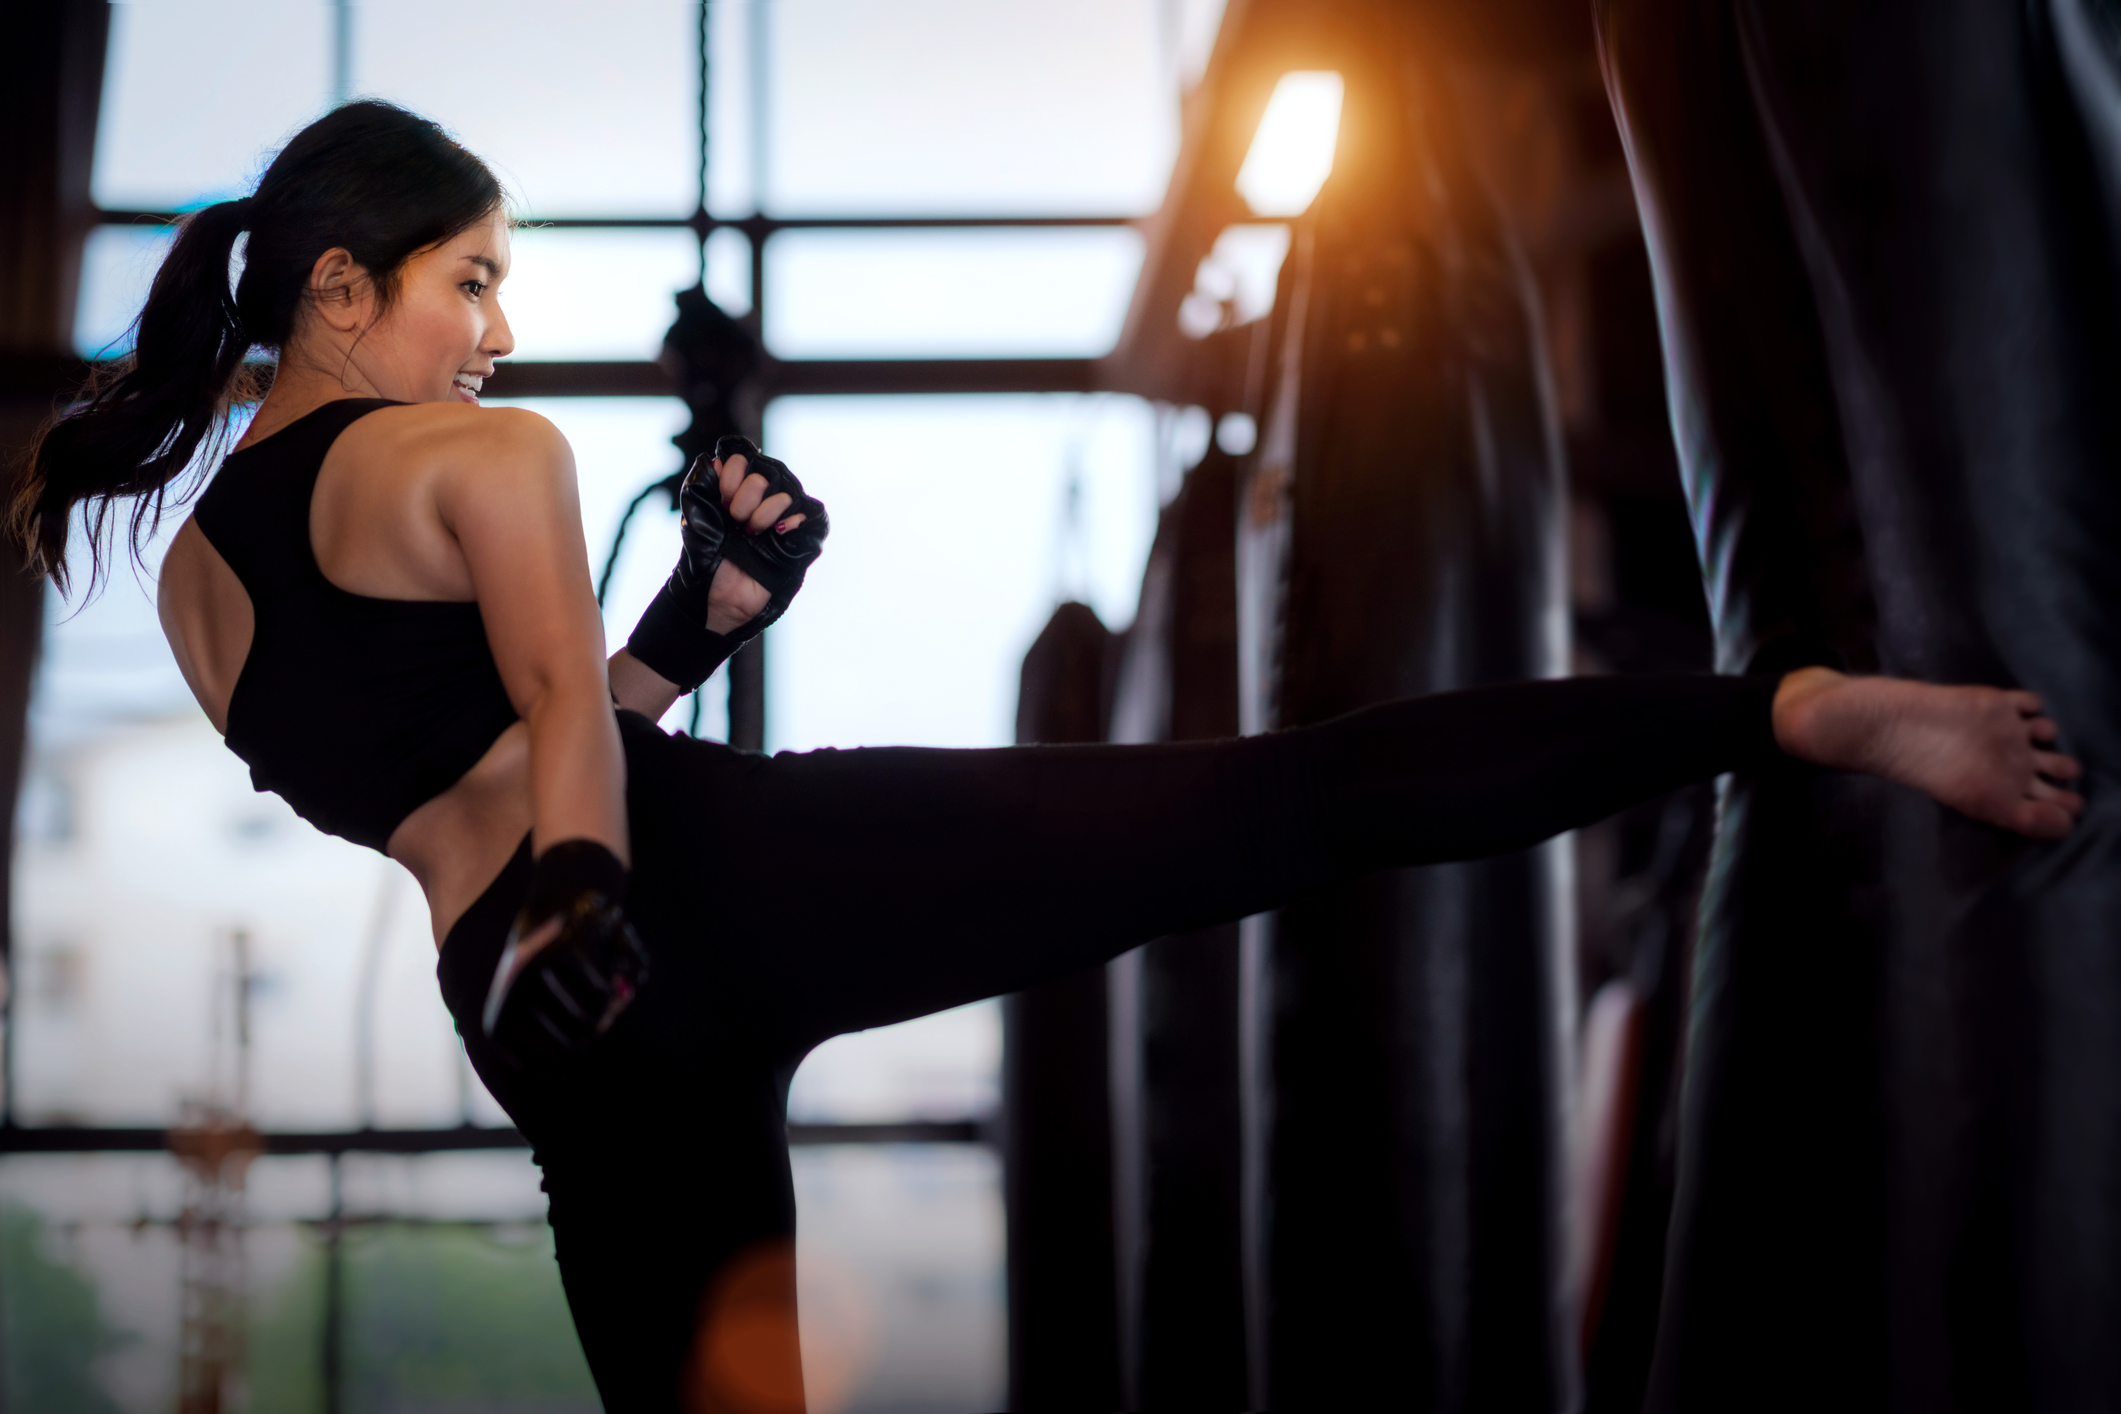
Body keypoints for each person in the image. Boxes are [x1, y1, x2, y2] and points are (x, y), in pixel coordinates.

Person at [8, 102, 2084, 1414]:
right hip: (675, 891)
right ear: (343, 282)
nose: (492, 327)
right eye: (469, 282)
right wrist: (599, 870)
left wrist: (695, 628)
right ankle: (1789, 706)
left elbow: (482, 754)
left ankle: (1789, 713)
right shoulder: (482, 449)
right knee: (1285, 801)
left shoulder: (193, 584)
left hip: (545, 1012)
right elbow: (558, 737)